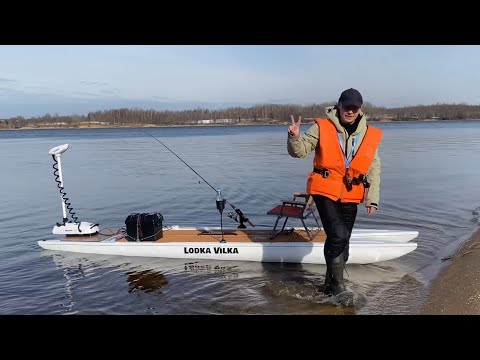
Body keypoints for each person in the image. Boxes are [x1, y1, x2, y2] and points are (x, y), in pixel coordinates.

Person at [287, 88, 382, 296]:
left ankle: (328, 287)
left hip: (351, 192)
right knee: (337, 235)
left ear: (360, 109)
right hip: (324, 189)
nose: (349, 111)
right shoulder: (322, 127)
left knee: (343, 243)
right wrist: (295, 137)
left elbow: (374, 167)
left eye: (353, 108)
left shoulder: (369, 134)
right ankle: (339, 288)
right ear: (338, 106)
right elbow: (300, 151)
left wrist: (372, 199)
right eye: (346, 107)